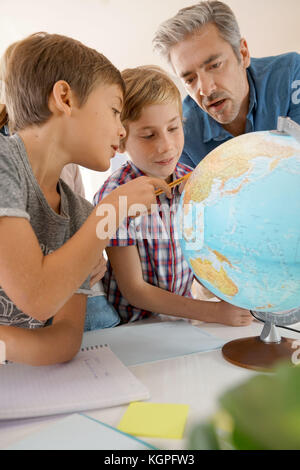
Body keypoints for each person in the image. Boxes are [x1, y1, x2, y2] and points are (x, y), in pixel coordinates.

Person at [0, 33, 171, 366]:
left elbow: (64, 342)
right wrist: (113, 210)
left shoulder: (81, 213)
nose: (122, 130)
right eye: (114, 111)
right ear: (65, 97)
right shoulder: (4, 162)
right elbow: (38, 297)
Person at [94, 65, 253, 326]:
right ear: (121, 139)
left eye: (173, 128)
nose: (166, 145)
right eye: (148, 135)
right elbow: (134, 290)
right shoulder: (114, 197)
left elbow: (199, 258)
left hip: (179, 321)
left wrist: (231, 293)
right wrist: (212, 312)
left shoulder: (192, 180)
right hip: (132, 328)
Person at [153, 0, 300, 168]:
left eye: (215, 65)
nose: (206, 90)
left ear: (243, 54)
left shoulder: (292, 75)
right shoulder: (180, 133)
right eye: (190, 79)